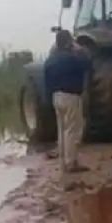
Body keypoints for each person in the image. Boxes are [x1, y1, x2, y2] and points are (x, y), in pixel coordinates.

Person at [44, 29, 91, 173]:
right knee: (73, 130)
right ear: (69, 42)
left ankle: (64, 162)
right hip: (71, 97)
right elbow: (88, 64)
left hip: (56, 97)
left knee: (62, 130)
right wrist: (80, 49)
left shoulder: (50, 60)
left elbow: (47, 83)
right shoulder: (72, 58)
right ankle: (71, 163)